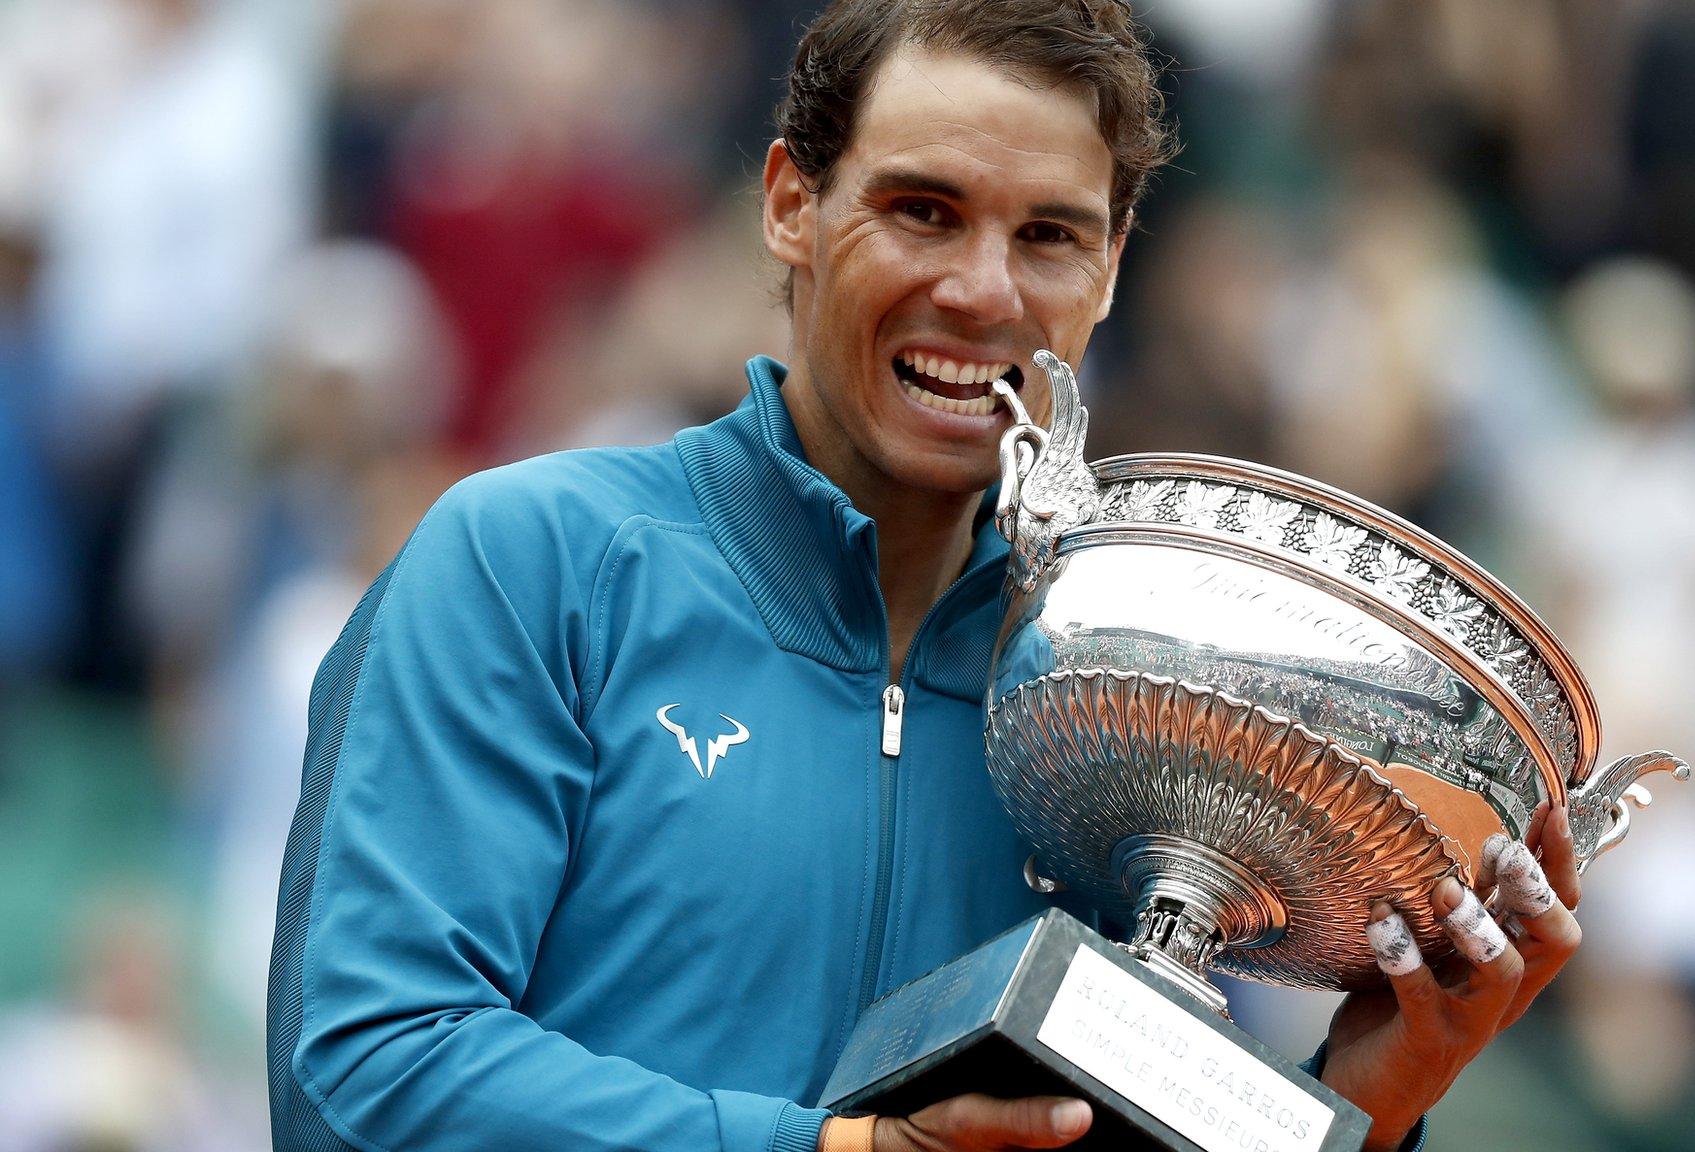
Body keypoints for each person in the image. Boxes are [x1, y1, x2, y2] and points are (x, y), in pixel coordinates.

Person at [266, 3, 1586, 1151]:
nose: (981, 290)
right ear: (792, 202)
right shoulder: (533, 562)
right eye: (923, 210)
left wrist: (1364, 1104)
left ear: (1114, 266)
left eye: (1051, 236)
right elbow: (374, 1068)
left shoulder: (1120, 689)